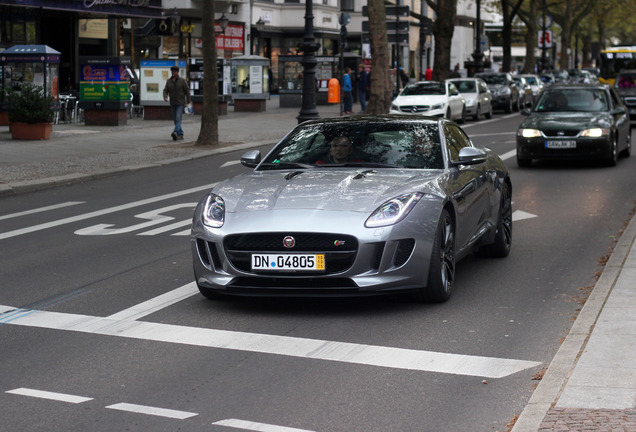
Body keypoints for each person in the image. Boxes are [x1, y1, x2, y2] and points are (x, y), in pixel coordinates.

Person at [163, 66, 191, 141]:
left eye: (175, 71)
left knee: (178, 118)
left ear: (177, 72)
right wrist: (165, 97)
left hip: (180, 102)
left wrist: (189, 100)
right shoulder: (169, 81)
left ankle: (175, 132)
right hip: (173, 102)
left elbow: (187, 90)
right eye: (172, 72)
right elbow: (165, 90)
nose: (173, 73)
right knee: (175, 119)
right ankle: (180, 133)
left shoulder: (182, 81)